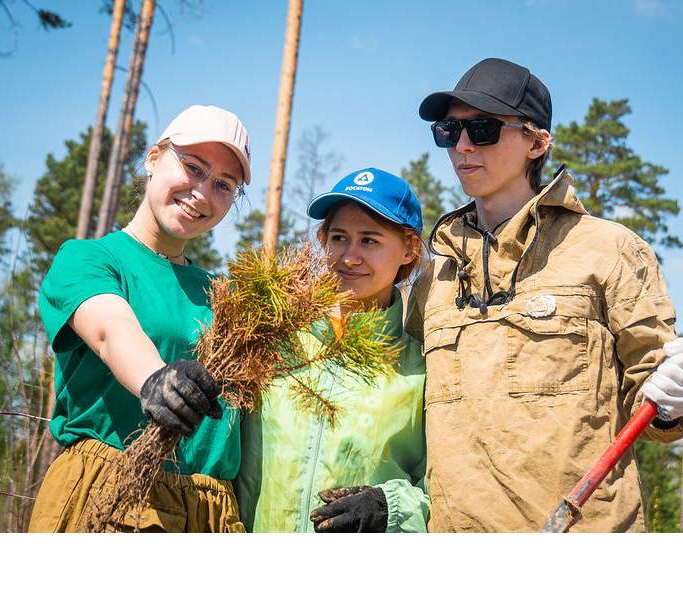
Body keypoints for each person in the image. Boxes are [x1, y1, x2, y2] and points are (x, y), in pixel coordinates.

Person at [407, 58, 683, 532]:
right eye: (449, 131)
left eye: (483, 129)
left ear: (537, 141)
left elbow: (652, 409)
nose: (462, 146)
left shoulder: (610, 249)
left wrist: (672, 405)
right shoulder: (435, 278)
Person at [28, 105, 252, 533]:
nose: (203, 192)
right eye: (192, 167)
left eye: (223, 184)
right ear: (153, 158)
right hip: (116, 491)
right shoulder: (90, 259)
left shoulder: (224, 295)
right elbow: (112, 330)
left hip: (213, 512)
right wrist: (155, 380)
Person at [236, 168, 429, 533]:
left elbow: (445, 494)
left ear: (409, 249)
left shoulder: (422, 369)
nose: (349, 257)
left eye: (370, 241)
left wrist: (392, 509)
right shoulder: (273, 341)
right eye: (339, 237)